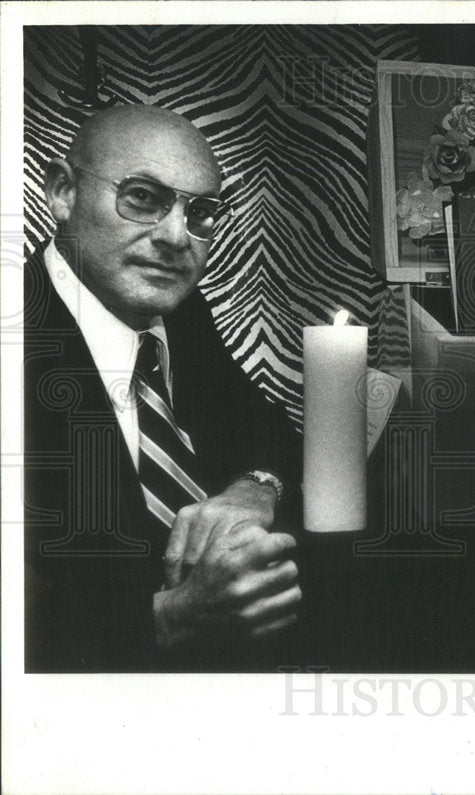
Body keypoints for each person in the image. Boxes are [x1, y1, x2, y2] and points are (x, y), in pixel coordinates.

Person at [24, 105, 304, 672]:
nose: (177, 237)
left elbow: (265, 427)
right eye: (143, 198)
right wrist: (170, 618)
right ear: (62, 193)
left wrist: (256, 488)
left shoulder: (178, 311)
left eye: (200, 212)